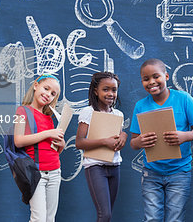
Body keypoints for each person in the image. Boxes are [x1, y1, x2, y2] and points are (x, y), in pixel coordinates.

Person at [130, 58, 193, 222]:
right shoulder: (140, 106)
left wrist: (185, 136)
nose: (151, 82)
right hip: (151, 173)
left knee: (175, 219)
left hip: (179, 172)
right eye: (146, 79)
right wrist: (140, 141)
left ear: (166, 76)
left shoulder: (184, 99)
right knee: (151, 219)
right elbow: (133, 142)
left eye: (156, 76)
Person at [75, 72, 128, 222]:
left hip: (114, 166)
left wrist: (123, 136)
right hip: (95, 167)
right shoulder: (88, 112)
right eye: (106, 89)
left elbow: (118, 137)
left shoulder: (118, 114)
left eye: (114, 90)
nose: (111, 93)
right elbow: (79, 142)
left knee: (107, 213)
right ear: (95, 91)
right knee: (104, 214)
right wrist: (104, 142)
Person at [14, 74, 66, 222]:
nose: (48, 94)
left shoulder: (49, 118)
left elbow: (56, 151)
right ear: (36, 85)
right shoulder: (23, 111)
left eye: (53, 94)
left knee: (50, 218)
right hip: (36, 173)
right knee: (39, 219)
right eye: (46, 88)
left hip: (55, 171)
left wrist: (60, 142)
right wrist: (48, 133)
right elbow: (18, 141)